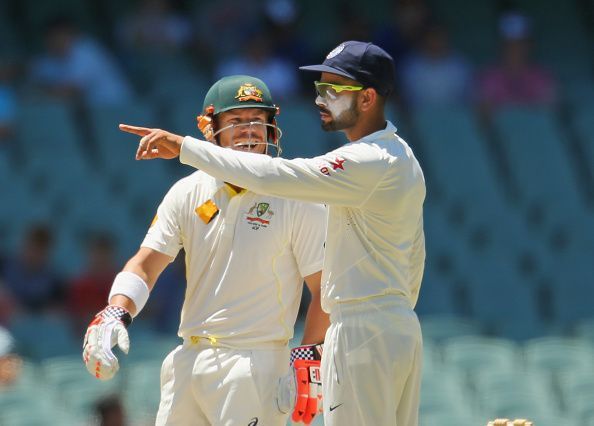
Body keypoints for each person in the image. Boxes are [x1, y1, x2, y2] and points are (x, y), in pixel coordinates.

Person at [122, 41, 426, 426]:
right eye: (319, 89)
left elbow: (273, 175)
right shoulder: (400, 157)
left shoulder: (369, 160)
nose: (321, 99)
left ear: (367, 98)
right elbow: (416, 256)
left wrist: (183, 146)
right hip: (389, 322)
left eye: (333, 90)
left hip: (361, 328)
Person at [83, 75, 329, 426]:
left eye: (258, 121)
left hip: (254, 363)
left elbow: (324, 287)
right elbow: (146, 264)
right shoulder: (187, 192)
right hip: (189, 360)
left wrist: (310, 353)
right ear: (207, 127)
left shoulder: (294, 194)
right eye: (237, 121)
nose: (250, 131)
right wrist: (115, 311)